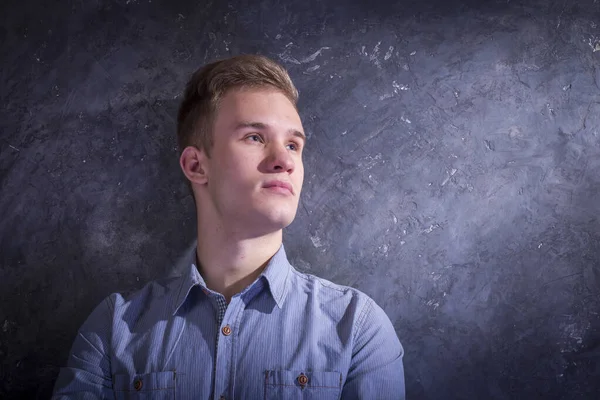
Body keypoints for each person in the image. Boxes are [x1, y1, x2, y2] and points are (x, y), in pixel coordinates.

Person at [52, 54, 405, 399]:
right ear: (196, 165)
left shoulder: (357, 328)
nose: (284, 161)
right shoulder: (114, 332)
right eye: (254, 137)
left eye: (294, 145)